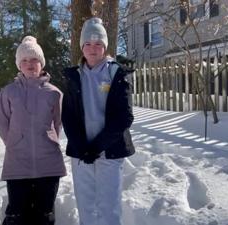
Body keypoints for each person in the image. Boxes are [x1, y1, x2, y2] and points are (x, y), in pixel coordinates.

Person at [61, 17, 135, 225]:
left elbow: (124, 117)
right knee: (85, 204)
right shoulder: (74, 76)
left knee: (109, 206)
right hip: (81, 152)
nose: (93, 49)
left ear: (104, 46)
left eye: (98, 44)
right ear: (82, 47)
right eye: (88, 44)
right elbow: (68, 116)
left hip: (109, 152)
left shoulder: (117, 74)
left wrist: (97, 147)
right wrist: (82, 146)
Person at [0, 36, 66, 225]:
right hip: (17, 163)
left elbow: (57, 124)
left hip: (48, 164)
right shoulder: (8, 92)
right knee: (16, 216)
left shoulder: (54, 93)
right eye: (24, 60)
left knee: (44, 216)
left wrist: (48, 141)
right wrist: (15, 142)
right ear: (19, 65)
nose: (30, 64)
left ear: (41, 63)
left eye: (34, 59)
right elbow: (1, 123)